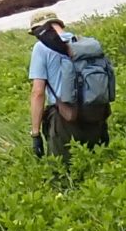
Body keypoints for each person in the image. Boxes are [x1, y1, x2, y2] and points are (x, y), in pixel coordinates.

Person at [26, 11, 112, 160]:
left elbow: (38, 93)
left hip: (65, 117)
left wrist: (35, 133)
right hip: (95, 113)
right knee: (98, 165)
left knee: (63, 173)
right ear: (59, 24)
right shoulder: (83, 44)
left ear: (38, 31)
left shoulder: (41, 48)